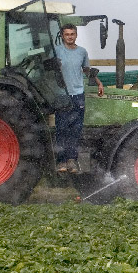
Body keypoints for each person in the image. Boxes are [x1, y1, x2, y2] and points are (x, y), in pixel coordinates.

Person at [52, 23, 98, 173]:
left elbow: (86, 70)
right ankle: (61, 161)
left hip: (78, 95)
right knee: (62, 128)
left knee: (76, 129)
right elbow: (49, 70)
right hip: (62, 95)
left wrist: (98, 82)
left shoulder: (82, 52)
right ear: (62, 36)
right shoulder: (56, 51)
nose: (70, 37)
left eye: (72, 34)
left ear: (76, 35)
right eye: (67, 34)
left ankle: (72, 160)